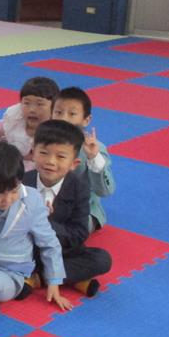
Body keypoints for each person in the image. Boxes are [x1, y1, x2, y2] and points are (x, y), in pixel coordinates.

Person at [0, 142, 70, 311]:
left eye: (14, 190)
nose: (8, 199)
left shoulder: (31, 201)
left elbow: (49, 243)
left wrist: (54, 282)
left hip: (7, 272)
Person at [24, 120, 112, 297]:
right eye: (44, 153)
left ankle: (39, 278)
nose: (50, 161)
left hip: (64, 250)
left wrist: (46, 223)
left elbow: (79, 233)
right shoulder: (22, 182)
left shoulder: (79, 187)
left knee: (102, 259)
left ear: (74, 163)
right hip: (27, 250)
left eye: (61, 157)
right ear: (33, 153)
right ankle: (73, 279)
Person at [51, 86, 116, 231]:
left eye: (72, 114)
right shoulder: (44, 142)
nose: (63, 118)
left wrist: (93, 157)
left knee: (71, 229)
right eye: (58, 112)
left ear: (86, 120)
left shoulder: (94, 148)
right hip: (49, 203)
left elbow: (105, 191)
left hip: (83, 209)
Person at [0, 76, 60, 171]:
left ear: (54, 107)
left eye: (39, 104)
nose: (32, 110)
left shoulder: (57, 130)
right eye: (26, 103)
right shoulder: (15, 120)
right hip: (6, 165)